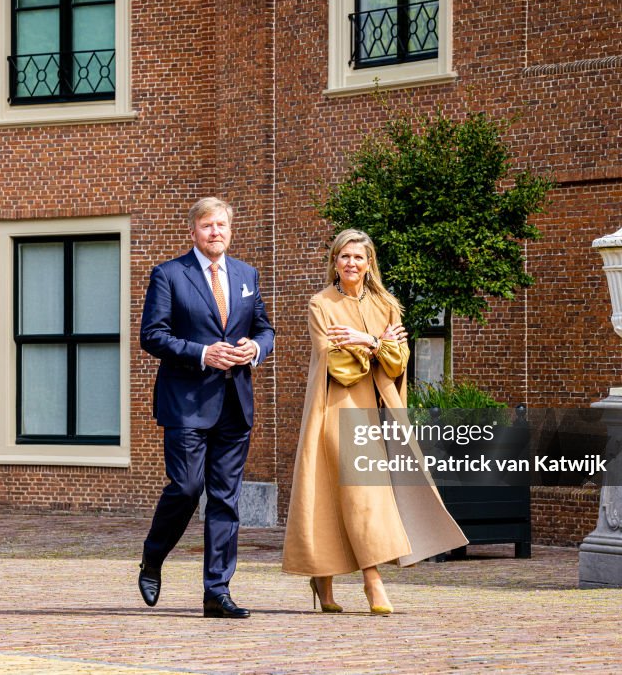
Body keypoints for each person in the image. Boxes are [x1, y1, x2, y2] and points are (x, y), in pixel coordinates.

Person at [281, 229, 467, 614]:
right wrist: (377, 344)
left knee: (355, 494)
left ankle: (325, 580)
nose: (351, 263)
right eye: (344, 256)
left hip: (379, 413)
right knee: (351, 494)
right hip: (337, 408)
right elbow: (339, 365)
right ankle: (372, 581)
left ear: (370, 264)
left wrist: (362, 340)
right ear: (334, 261)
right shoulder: (321, 305)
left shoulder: (387, 304)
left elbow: (399, 362)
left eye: (358, 258)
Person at [138, 197, 275, 619]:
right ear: (193, 232)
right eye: (207, 226)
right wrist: (202, 353)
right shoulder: (168, 274)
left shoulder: (247, 274)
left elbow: (265, 328)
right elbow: (152, 335)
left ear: (229, 231)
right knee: (186, 487)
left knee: (225, 499)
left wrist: (257, 348)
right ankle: (153, 557)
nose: (215, 232)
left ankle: (216, 592)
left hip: (235, 403)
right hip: (186, 404)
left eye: (221, 225)